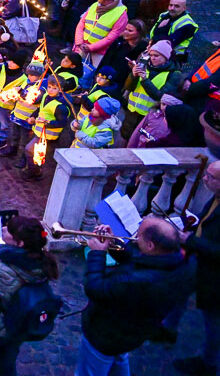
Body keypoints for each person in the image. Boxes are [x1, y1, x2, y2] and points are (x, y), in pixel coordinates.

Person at [76, 217, 195, 376]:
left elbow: (95, 288)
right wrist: (113, 244)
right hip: (130, 333)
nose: (135, 239)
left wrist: (97, 254)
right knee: (119, 363)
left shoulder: (139, 282)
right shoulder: (177, 263)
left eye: (139, 237)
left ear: (151, 245)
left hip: (105, 335)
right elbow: (139, 260)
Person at [0, 216, 59, 376]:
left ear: (20, 243)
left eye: (9, 230)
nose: (3, 229)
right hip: (17, 327)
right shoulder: (42, 262)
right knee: (7, 365)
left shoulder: (2, 269)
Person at [171, 160, 220, 376]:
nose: (205, 179)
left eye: (210, 177)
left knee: (214, 322)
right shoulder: (216, 197)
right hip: (198, 260)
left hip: (213, 273)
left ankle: (209, 365)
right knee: (179, 290)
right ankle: (167, 328)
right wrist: (193, 219)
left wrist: (189, 240)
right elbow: (206, 218)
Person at [121, 40, 182, 140]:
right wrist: (133, 75)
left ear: (166, 57)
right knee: (125, 136)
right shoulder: (143, 65)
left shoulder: (174, 74)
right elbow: (128, 87)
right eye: (151, 54)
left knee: (140, 140)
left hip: (150, 116)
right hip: (132, 111)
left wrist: (145, 80)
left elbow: (160, 96)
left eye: (156, 56)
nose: (152, 58)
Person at [149, 0, 198, 67]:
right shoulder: (164, 15)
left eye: (176, 6)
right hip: (155, 52)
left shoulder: (188, 24)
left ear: (184, 8)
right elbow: (154, 35)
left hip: (174, 59)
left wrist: (161, 29)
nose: (172, 8)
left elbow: (167, 43)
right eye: (170, 5)